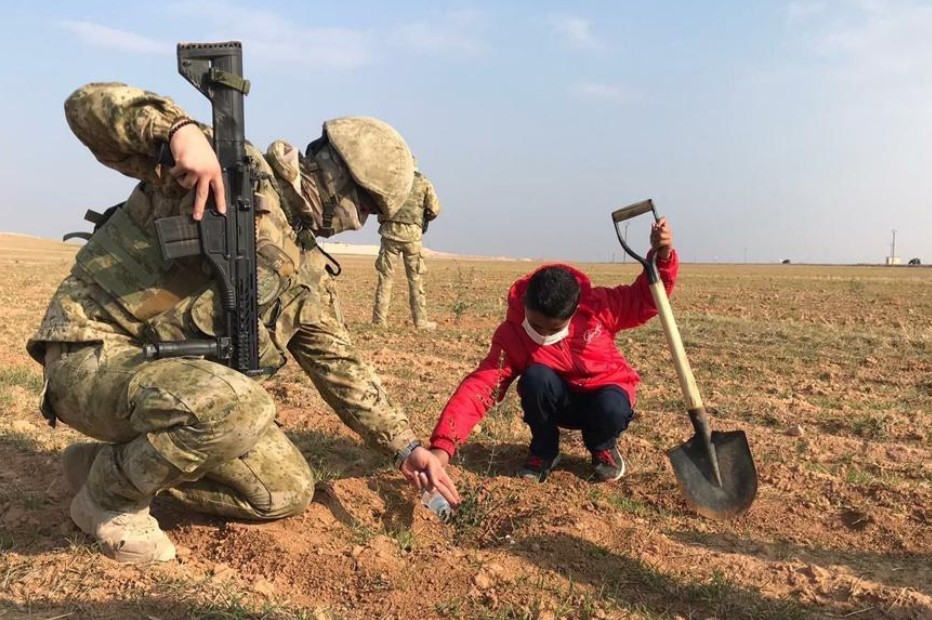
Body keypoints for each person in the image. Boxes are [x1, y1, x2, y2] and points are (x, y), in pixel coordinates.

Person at [26, 82, 458, 564]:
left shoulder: (306, 271)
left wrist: (407, 448)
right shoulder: (228, 170)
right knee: (242, 404)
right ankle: (109, 501)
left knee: (286, 489)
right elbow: (85, 107)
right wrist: (178, 132)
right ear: (338, 174)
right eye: (366, 206)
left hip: (178, 389)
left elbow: (343, 370)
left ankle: (107, 467)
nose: (359, 224)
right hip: (92, 355)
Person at [427, 219, 677, 483]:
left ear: (574, 310)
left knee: (611, 407)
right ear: (525, 304)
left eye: (554, 328)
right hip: (557, 404)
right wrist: (442, 448)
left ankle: (603, 446)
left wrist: (662, 256)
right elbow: (481, 387)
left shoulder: (598, 308)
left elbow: (645, 299)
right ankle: (544, 451)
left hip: (604, 398)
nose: (544, 334)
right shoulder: (513, 335)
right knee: (535, 378)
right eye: (536, 325)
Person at [371, 161, 442, 330]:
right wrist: (422, 219)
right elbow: (434, 208)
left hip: (390, 234)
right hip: (412, 237)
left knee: (385, 279)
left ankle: (379, 321)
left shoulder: (391, 181)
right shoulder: (422, 181)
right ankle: (421, 322)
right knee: (415, 280)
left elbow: (380, 204)